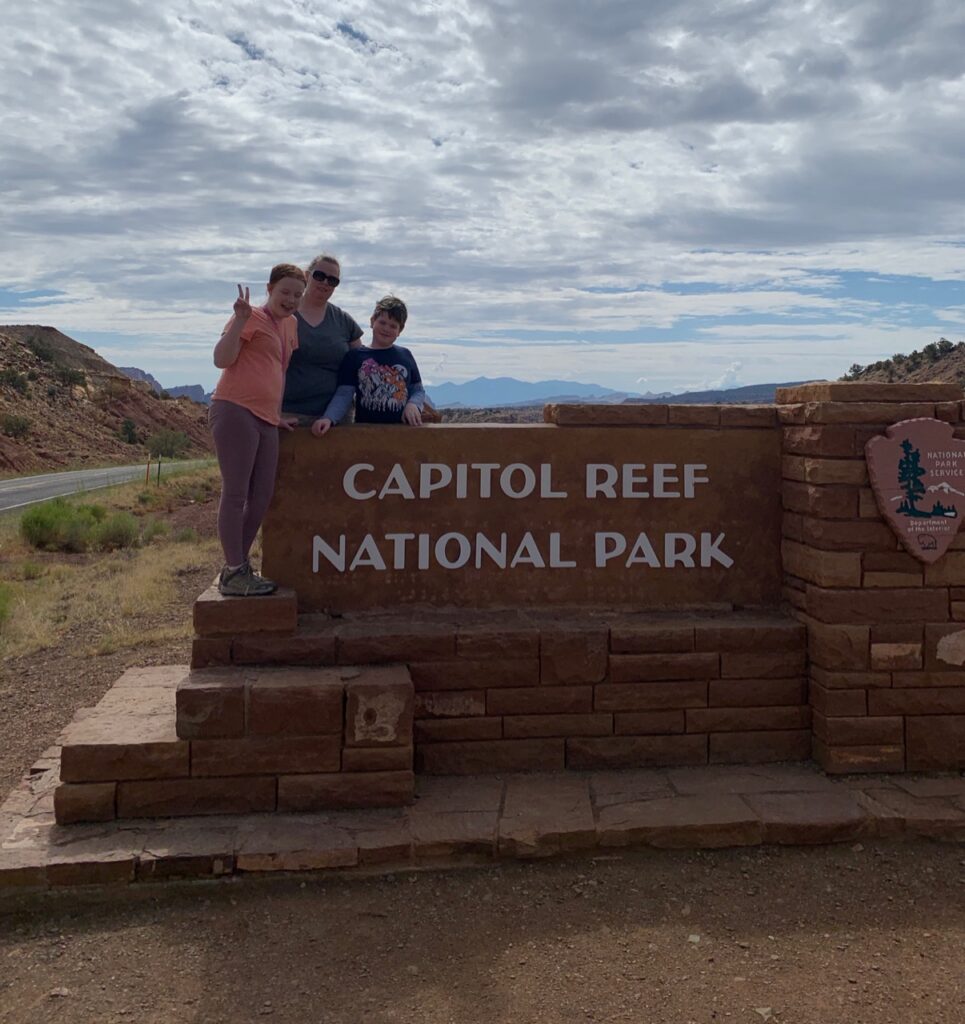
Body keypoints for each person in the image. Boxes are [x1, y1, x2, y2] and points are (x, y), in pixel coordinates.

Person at [209, 263, 306, 596]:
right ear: (270, 289)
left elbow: (279, 371)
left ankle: (237, 568)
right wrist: (238, 320)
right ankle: (235, 569)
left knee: (262, 496)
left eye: (297, 294)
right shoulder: (250, 316)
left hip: (266, 418)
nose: (291, 299)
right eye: (285, 292)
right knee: (236, 493)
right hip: (235, 409)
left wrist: (275, 413)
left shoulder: (291, 325)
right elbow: (221, 359)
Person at [310, 295, 424, 434]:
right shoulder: (355, 357)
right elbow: (344, 394)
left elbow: (417, 389)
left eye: (393, 326)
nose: (386, 328)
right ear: (372, 321)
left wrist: (414, 405)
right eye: (382, 322)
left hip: (402, 431)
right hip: (364, 431)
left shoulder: (405, 355)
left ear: (400, 331)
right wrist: (329, 418)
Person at [282, 253, 364, 423]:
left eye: (333, 280)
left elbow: (365, 363)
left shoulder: (344, 320)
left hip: (335, 419)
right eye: (320, 276)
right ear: (306, 276)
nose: (325, 283)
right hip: (288, 415)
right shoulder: (283, 313)